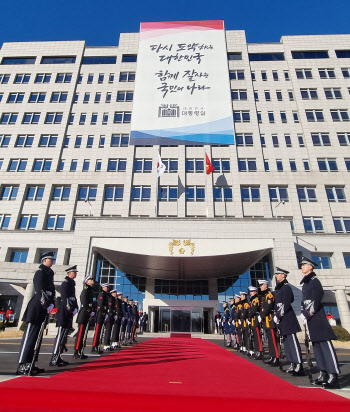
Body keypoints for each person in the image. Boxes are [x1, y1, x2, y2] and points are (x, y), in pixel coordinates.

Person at [300, 256, 340, 389]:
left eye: (304, 265)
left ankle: (333, 375)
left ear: (310, 267)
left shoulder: (314, 281)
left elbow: (316, 300)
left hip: (318, 319)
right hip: (311, 320)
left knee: (325, 346)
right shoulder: (306, 283)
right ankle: (323, 373)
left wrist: (307, 313)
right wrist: (303, 312)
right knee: (317, 347)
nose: (302, 267)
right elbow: (304, 301)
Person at [16, 251, 56, 375]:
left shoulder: (49, 274)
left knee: (36, 338)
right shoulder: (40, 272)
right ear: (44, 260)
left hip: (43, 308)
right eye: (50, 259)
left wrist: (52, 303)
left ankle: (31, 363)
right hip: (36, 308)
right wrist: (46, 303)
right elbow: (40, 291)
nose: (52, 261)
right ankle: (22, 364)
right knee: (29, 337)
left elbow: (52, 291)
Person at [274, 267, 304, 375]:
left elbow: (288, 301)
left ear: (283, 275)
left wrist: (280, 314)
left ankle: (299, 365)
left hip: (288, 317)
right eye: (276, 274)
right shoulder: (278, 288)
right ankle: (292, 363)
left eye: (278, 274)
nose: (277, 276)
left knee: (292, 342)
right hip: (282, 318)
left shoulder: (286, 287)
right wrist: (276, 315)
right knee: (287, 343)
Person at [50, 265, 78, 367]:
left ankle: (59, 356)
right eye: (74, 272)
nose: (75, 274)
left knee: (64, 336)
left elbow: (73, 298)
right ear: (69, 273)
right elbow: (65, 299)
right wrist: (70, 308)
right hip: (64, 313)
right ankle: (54, 357)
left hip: (69, 313)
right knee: (60, 335)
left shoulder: (71, 284)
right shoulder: (66, 284)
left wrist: (75, 308)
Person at [258, 279, 280, 367]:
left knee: (273, 340)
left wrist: (261, 315)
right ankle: (272, 357)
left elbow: (268, 307)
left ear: (266, 285)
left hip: (269, 319)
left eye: (262, 285)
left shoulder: (269, 295)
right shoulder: (263, 296)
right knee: (269, 341)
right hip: (265, 321)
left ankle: (276, 358)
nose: (260, 287)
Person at [74, 275, 95, 359]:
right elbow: (84, 302)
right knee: (80, 334)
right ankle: (76, 351)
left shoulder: (90, 290)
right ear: (87, 282)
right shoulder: (85, 290)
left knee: (83, 334)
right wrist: (89, 311)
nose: (92, 281)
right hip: (84, 314)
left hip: (87, 313)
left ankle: (80, 351)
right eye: (90, 279)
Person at [91, 283, 110, 353]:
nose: (107, 288)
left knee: (100, 332)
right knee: (97, 332)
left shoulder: (106, 295)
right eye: (106, 287)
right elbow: (101, 305)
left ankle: (96, 346)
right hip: (100, 315)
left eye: (108, 287)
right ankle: (94, 347)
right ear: (103, 288)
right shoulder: (102, 294)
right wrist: (104, 312)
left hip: (103, 314)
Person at [248, 286, 263, 360]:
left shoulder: (256, 299)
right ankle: (257, 351)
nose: (251, 293)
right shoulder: (252, 300)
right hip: (253, 320)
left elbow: (253, 310)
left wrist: (248, 317)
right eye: (250, 292)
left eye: (252, 292)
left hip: (256, 318)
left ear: (256, 292)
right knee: (254, 336)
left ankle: (259, 351)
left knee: (257, 336)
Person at [240, 291, 251, 355]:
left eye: (241, 296)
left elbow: (245, 313)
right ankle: (245, 348)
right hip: (242, 322)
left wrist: (242, 318)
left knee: (247, 336)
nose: (241, 297)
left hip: (245, 322)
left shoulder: (246, 304)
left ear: (244, 296)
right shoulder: (243, 304)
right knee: (243, 335)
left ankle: (248, 348)